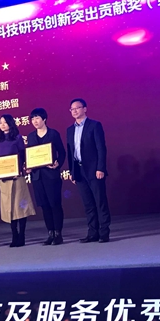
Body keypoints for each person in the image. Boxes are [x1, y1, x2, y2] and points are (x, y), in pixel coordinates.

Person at [67, 98, 112, 242]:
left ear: (85, 109)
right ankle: (92, 233)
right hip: (79, 171)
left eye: (77, 108)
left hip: (94, 170)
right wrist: (72, 171)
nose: (75, 111)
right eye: (72, 109)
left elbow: (101, 148)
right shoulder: (70, 130)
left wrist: (100, 168)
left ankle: (104, 232)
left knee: (100, 202)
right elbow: (71, 152)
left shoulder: (94, 125)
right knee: (88, 204)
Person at [25, 108, 67, 245]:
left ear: (44, 119)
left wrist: (58, 163)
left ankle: (58, 234)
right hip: (37, 176)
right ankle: (50, 233)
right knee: (44, 205)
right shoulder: (31, 136)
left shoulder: (53, 134)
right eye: (32, 119)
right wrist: (28, 166)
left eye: (37, 118)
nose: (35, 121)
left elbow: (62, 152)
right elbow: (30, 155)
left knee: (55, 204)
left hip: (51, 175)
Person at [0, 114, 36, 247]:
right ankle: (14, 235)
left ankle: (22, 235)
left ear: (11, 123)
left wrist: (21, 168)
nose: (2, 125)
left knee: (21, 207)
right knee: (9, 208)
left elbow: (23, 155)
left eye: (5, 122)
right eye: (0, 123)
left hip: (17, 178)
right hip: (4, 179)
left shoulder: (17, 138)